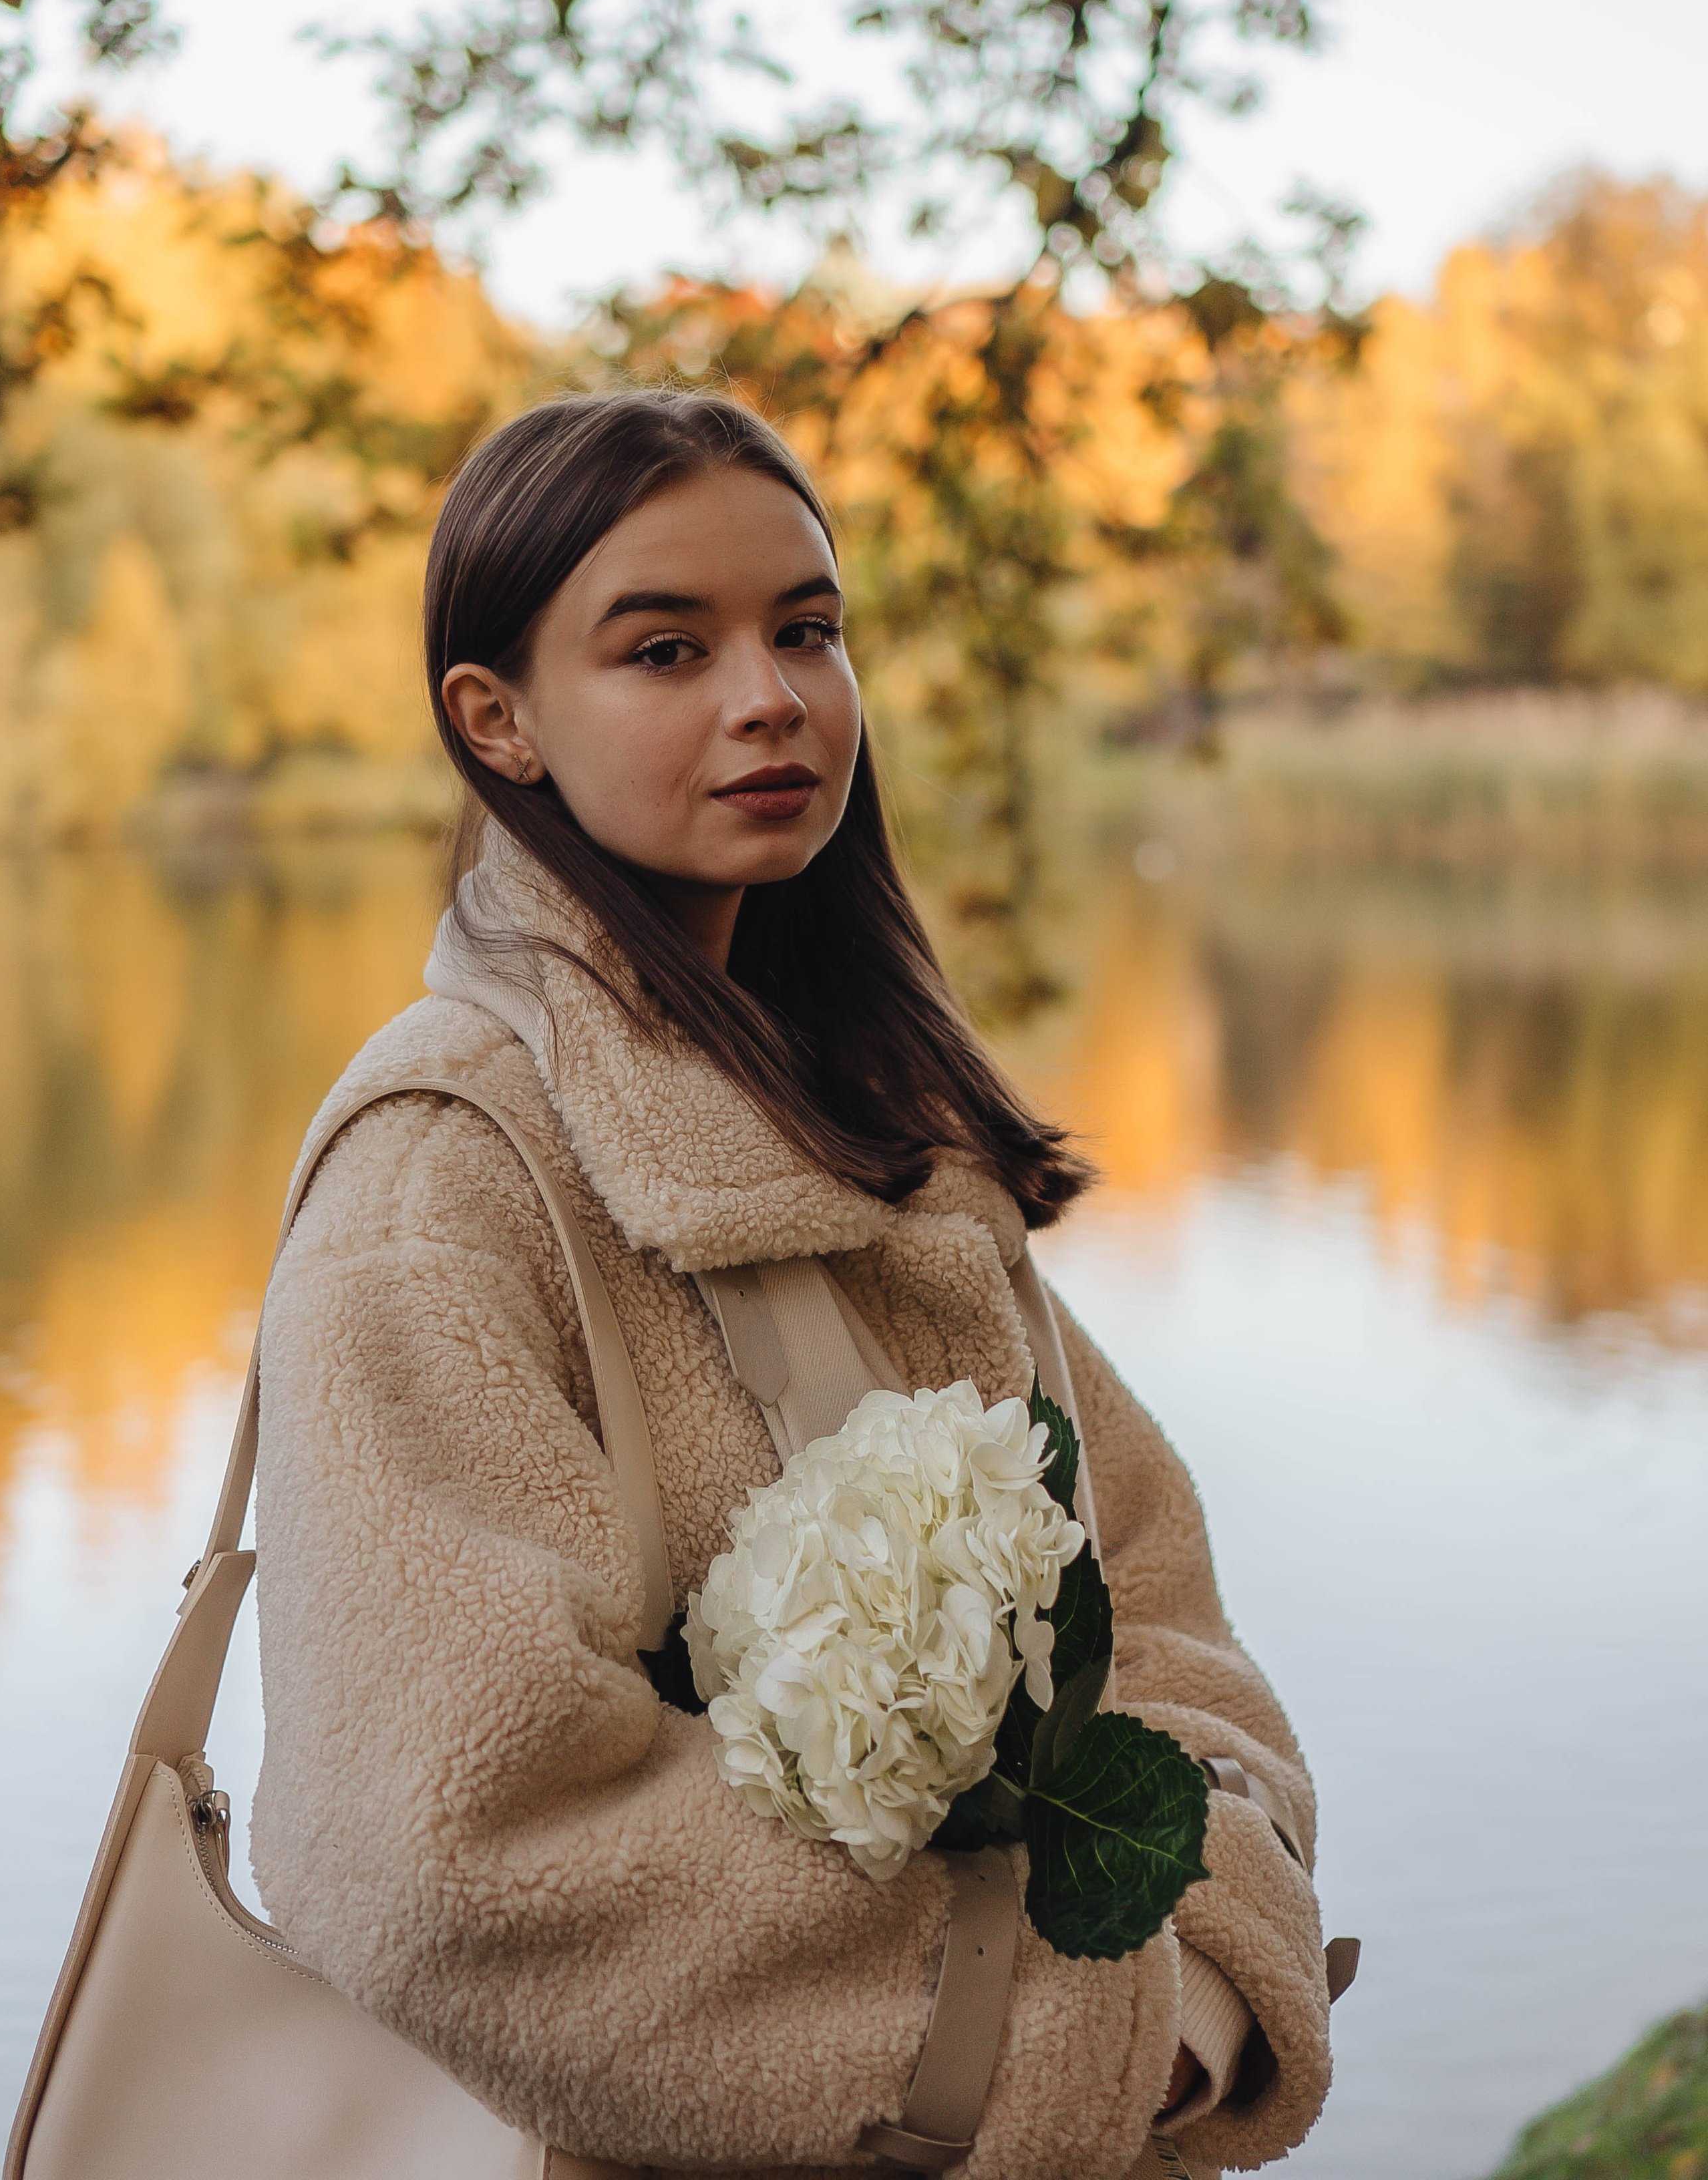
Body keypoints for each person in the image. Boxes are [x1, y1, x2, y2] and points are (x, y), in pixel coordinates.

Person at [252, 389, 1333, 2180]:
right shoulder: (443, 1176)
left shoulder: (878, 1126)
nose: (771, 698)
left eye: (807, 631)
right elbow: (451, 1848)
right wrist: (1061, 2040)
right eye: (666, 649)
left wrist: (1203, 1961)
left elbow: (1148, 1602)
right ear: (497, 719)